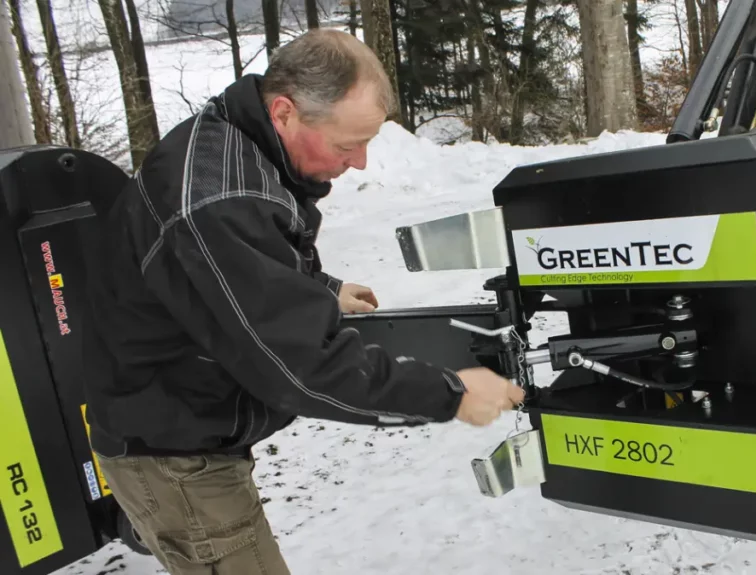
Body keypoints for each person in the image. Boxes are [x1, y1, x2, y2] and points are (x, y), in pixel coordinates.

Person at [81, 28, 523, 575]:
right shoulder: (219, 200)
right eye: (346, 145)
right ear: (286, 111)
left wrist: (323, 286)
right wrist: (451, 393)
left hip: (185, 410)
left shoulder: (235, 142)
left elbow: (243, 265)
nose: (359, 162)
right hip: (175, 453)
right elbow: (302, 369)